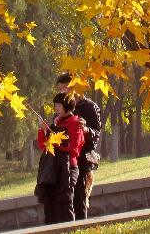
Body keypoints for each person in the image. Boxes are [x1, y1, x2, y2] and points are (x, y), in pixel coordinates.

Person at [56, 72, 102, 220]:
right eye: (60, 89)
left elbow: (96, 134)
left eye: (65, 88)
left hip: (82, 160)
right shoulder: (61, 108)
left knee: (80, 196)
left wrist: (86, 129)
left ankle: (82, 226)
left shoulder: (89, 106)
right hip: (64, 160)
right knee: (65, 199)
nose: (63, 92)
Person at [38, 93, 84, 224]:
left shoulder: (75, 123)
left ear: (66, 106)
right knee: (50, 205)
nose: (55, 108)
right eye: (55, 105)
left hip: (68, 168)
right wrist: (43, 131)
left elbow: (74, 149)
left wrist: (57, 141)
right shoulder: (56, 122)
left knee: (65, 202)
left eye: (58, 105)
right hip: (52, 170)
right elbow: (44, 147)